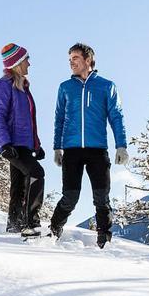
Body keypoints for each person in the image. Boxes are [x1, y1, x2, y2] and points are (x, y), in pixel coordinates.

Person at [49, 43, 128, 248]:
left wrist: (121, 145)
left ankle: (104, 240)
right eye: (69, 59)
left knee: (102, 198)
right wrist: (57, 147)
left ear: (88, 60)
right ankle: (53, 231)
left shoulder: (106, 86)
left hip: (97, 150)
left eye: (75, 58)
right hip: (72, 151)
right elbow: (59, 119)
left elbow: (116, 117)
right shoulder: (65, 88)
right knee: (70, 197)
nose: (71, 62)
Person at [0, 43, 46, 238]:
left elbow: (29, 120)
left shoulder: (23, 87)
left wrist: (36, 145)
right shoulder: (3, 85)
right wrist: (5, 143)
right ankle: (30, 223)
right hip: (12, 145)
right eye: (26, 60)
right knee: (37, 173)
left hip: (24, 144)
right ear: (17, 62)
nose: (29, 64)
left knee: (19, 185)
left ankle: (14, 226)